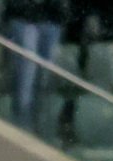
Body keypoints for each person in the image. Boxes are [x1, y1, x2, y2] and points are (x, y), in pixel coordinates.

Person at [5, 0, 69, 130]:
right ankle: (22, 127)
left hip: (51, 17)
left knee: (45, 79)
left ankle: (42, 128)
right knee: (25, 77)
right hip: (23, 17)